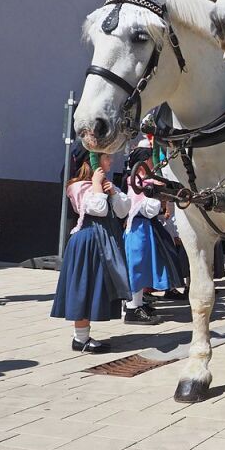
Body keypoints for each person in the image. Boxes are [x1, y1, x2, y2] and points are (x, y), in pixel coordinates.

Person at [50, 151, 131, 353]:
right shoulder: (77, 186)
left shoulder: (105, 185)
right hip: (88, 241)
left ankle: (83, 336)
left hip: (105, 242)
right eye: (106, 157)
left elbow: (123, 211)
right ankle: (80, 338)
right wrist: (97, 185)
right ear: (92, 162)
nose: (111, 160)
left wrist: (112, 191)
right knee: (85, 288)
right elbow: (99, 209)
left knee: (97, 288)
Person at [122, 145, 184, 325]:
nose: (152, 162)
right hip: (139, 228)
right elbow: (146, 209)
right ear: (142, 163)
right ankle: (132, 308)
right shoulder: (136, 182)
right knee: (137, 265)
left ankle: (139, 303)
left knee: (144, 265)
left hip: (145, 227)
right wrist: (158, 196)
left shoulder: (143, 181)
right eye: (149, 159)